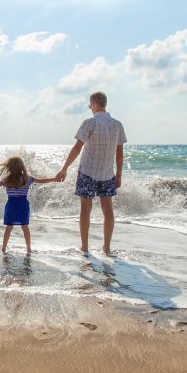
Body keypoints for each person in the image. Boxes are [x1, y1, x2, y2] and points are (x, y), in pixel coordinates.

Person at [55, 91, 127, 254]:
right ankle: (106, 248)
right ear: (105, 104)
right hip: (107, 174)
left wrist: (64, 168)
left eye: (90, 105)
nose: (90, 108)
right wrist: (119, 175)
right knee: (108, 211)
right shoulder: (117, 125)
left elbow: (77, 148)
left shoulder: (89, 123)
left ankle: (85, 247)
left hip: (87, 172)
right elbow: (120, 153)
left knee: (85, 211)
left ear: (94, 104)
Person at [0, 156, 57, 253]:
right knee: (25, 227)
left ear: (8, 167)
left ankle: (3, 248)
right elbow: (41, 181)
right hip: (23, 205)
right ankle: (28, 249)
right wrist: (54, 179)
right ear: (22, 167)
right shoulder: (27, 179)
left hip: (11, 205)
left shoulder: (6, 180)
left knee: (9, 228)